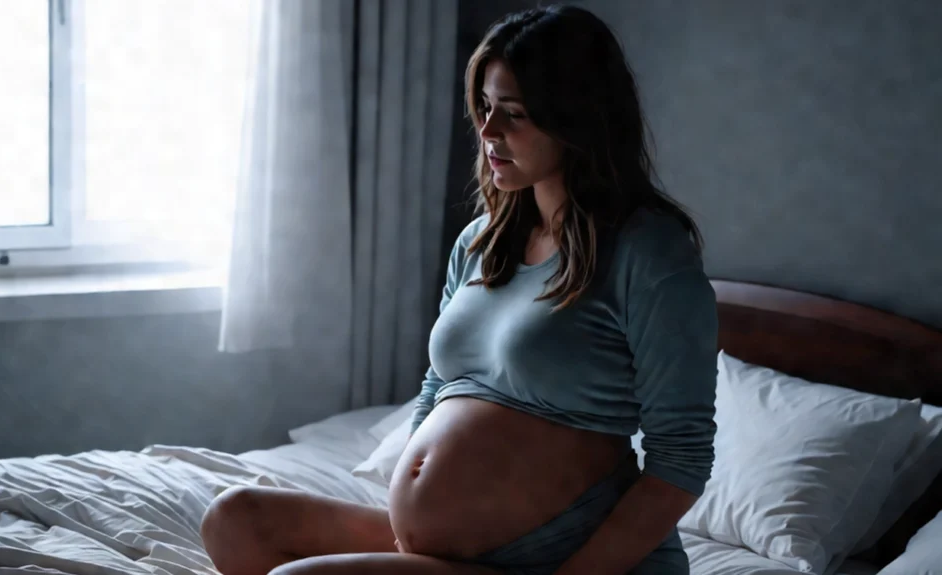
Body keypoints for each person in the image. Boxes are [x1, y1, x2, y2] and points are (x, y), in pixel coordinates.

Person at [200, 4, 718, 575]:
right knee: (235, 517)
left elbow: (681, 459)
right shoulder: (481, 241)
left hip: (562, 559)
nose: (488, 132)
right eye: (486, 108)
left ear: (577, 121)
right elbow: (440, 387)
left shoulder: (649, 252)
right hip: (456, 551)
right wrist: (412, 522)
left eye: (514, 115)